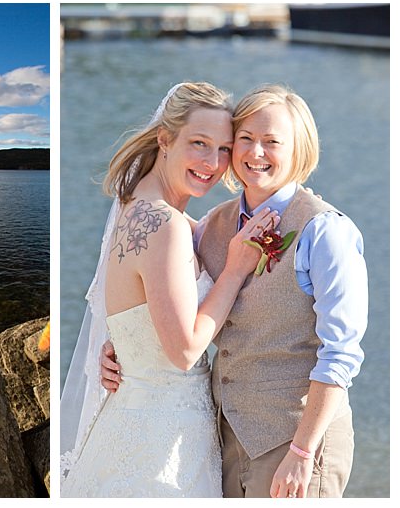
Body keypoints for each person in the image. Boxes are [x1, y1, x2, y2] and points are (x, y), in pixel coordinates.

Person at [101, 84, 367, 498]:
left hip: (294, 446)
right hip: (222, 442)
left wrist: (302, 450)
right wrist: (126, 345)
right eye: (245, 139)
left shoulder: (325, 231)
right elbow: (150, 283)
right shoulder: (211, 225)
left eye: (272, 142)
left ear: (299, 150)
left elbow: (342, 354)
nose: (255, 153)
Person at [60, 82, 278, 497]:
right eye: (199, 143)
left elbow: (137, 312)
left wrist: (120, 344)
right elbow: (182, 351)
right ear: (165, 139)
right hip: (164, 444)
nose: (212, 163)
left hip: (130, 421)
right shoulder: (165, 225)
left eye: (224, 149)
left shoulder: (135, 202)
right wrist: (235, 269)